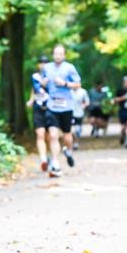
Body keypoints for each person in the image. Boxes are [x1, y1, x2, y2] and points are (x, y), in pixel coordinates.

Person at [41, 44, 82, 177]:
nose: (57, 56)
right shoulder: (47, 68)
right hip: (52, 105)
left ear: (64, 56)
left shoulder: (70, 68)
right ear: (53, 55)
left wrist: (65, 83)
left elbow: (78, 85)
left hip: (67, 106)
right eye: (55, 54)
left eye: (60, 54)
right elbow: (42, 84)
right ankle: (55, 163)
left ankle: (68, 151)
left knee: (67, 135)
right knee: (53, 135)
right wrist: (43, 83)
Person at [26, 54, 50, 171]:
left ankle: (50, 156)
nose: (43, 65)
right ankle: (43, 159)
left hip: (50, 108)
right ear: (38, 65)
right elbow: (34, 89)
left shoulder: (52, 75)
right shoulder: (35, 76)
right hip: (38, 107)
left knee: (49, 136)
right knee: (40, 134)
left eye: (45, 63)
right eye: (41, 63)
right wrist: (31, 100)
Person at [70, 83, 89, 150]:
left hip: (79, 113)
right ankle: (73, 143)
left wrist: (83, 106)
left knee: (77, 129)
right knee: (72, 130)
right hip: (70, 113)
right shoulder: (69, 91)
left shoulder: (83, 92)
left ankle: (76, 142)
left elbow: (87, 102)